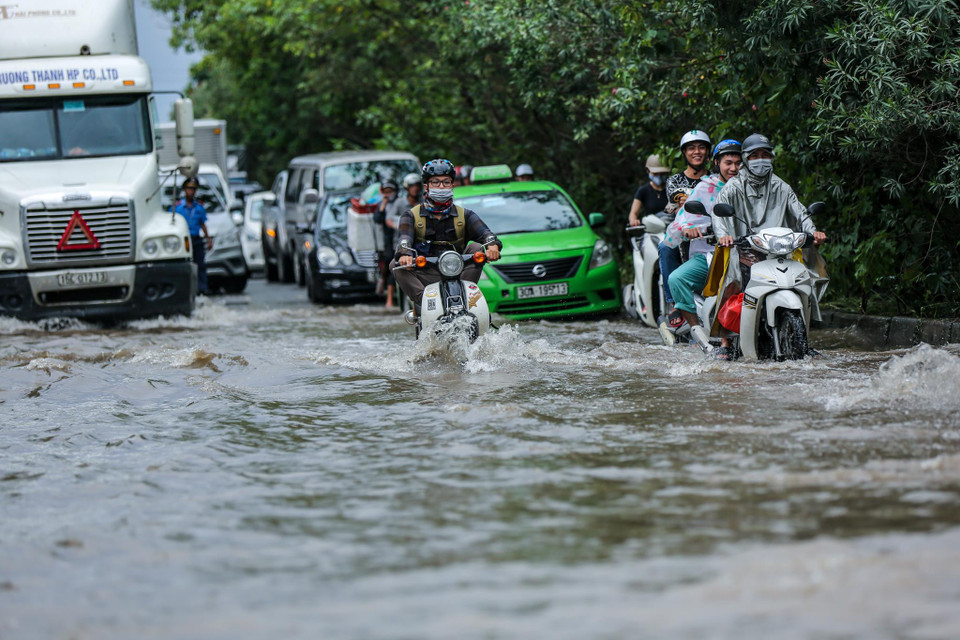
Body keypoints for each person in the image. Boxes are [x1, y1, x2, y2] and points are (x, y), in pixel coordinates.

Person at [390, 159, 502, 314]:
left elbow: (486, 234)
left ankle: (465, 299)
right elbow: (404, 241)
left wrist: (493, 246)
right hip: (426, 273)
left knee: (477, 248)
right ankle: (425, 304)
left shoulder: (466, 215)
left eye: (446, 182)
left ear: (452, 185)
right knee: (395, 264)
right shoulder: (410, 215)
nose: (441, 187)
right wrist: (405, 255)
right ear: (426, 187)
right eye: (435, 182)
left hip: (459, 271)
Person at [665, 139, 742, 358]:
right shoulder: (705, 187)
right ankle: (701, 335)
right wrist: (688, 228)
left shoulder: (751, 187)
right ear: (717, 163)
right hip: (710, 255)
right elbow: (679, 223)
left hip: (747, 252)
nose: (733, 168)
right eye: (728, 162)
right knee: (676, 279)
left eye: (738, 163)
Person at [714, 133, 826, 248]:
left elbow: (800, 212)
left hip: (781, 249)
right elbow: (718, 216)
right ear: (746, 159)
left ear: (771, 157)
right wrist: (723, 236)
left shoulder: (781, 187)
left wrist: (813, 232)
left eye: (765, 155)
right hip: (744, 251)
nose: (760, 160)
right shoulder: (732, 187)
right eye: (755, 156)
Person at [658, 130, 711, 327]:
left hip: (713, 232)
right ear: (685, 153)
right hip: (685, 230)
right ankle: (674, 303)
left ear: (707, 152)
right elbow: (681, 202)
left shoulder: (715, 179)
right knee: (665, 247)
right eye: (691, 148)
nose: (696, 152)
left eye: (701, 147)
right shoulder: (674, 181)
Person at [172, 177, 212, 294]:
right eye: (189, 189)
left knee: (200, 265)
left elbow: (202, 223)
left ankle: (202, 288)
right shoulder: (177, 207)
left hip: (196, 239)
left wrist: (208, 239)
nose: (191, 191)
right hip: (183, 241)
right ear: (184, 190)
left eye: (193, 189)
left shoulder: (199, 207)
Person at [374, 178, 404, 307]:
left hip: (401, 240)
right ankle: (388, 297)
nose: (388, 194)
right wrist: (383, 204)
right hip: (388, 242)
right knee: (390, 265)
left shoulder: (402, 203)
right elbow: (377, 219)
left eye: (390, 191)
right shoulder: (382, 205)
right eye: (385, 192)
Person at [627, 154, 670, 227]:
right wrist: (633, 220)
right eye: (655, 174)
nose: (659, 176)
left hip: (671, 228)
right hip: (652, 229)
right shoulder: (643, 190)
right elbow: (633, 213)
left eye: (662, 173)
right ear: (648, 171)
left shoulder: (672, 188)